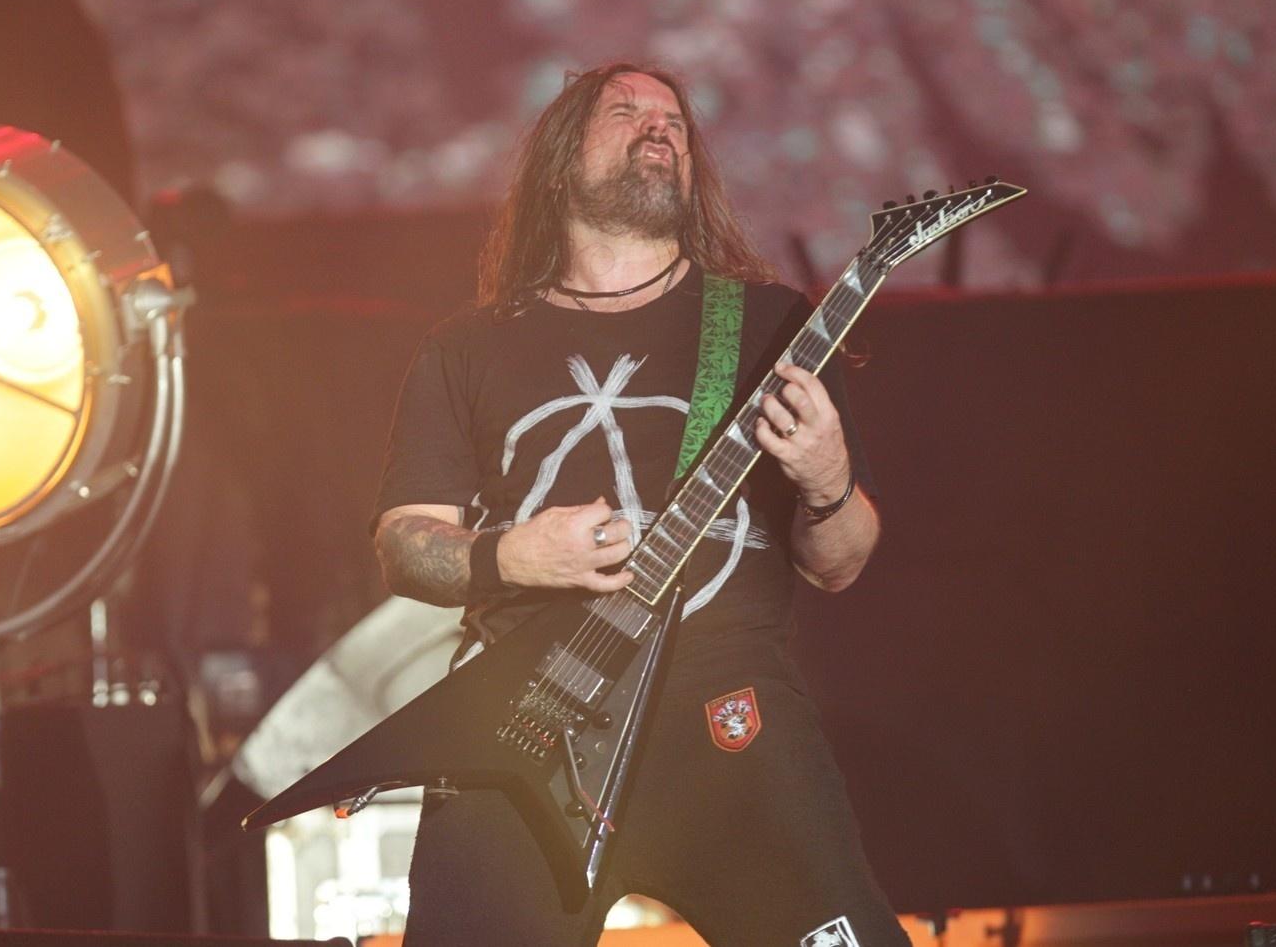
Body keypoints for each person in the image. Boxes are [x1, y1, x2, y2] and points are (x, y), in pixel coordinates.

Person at [371, 62, 910, 947]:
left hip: (728, 717)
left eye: (674, 121)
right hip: (526, 728)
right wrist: (515, 555)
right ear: (558, 166)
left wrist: (828, 480)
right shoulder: (465, 350)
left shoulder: (774, 324)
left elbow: (840, 561)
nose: (658, 126)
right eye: (624, 111)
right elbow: (404, 544)